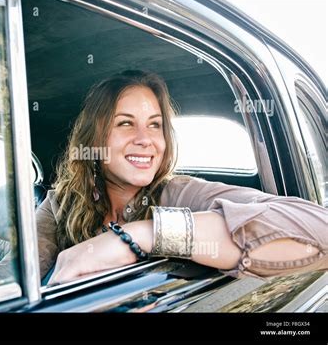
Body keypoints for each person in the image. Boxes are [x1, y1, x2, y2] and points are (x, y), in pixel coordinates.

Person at [36, 70, 327, 285]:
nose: (145, 139)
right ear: (93, 138)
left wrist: (142, 234)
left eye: (155, 125)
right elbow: (8, 274)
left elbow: (321, 228)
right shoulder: (59, 204)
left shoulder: (180, 194)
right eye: (125, 123)